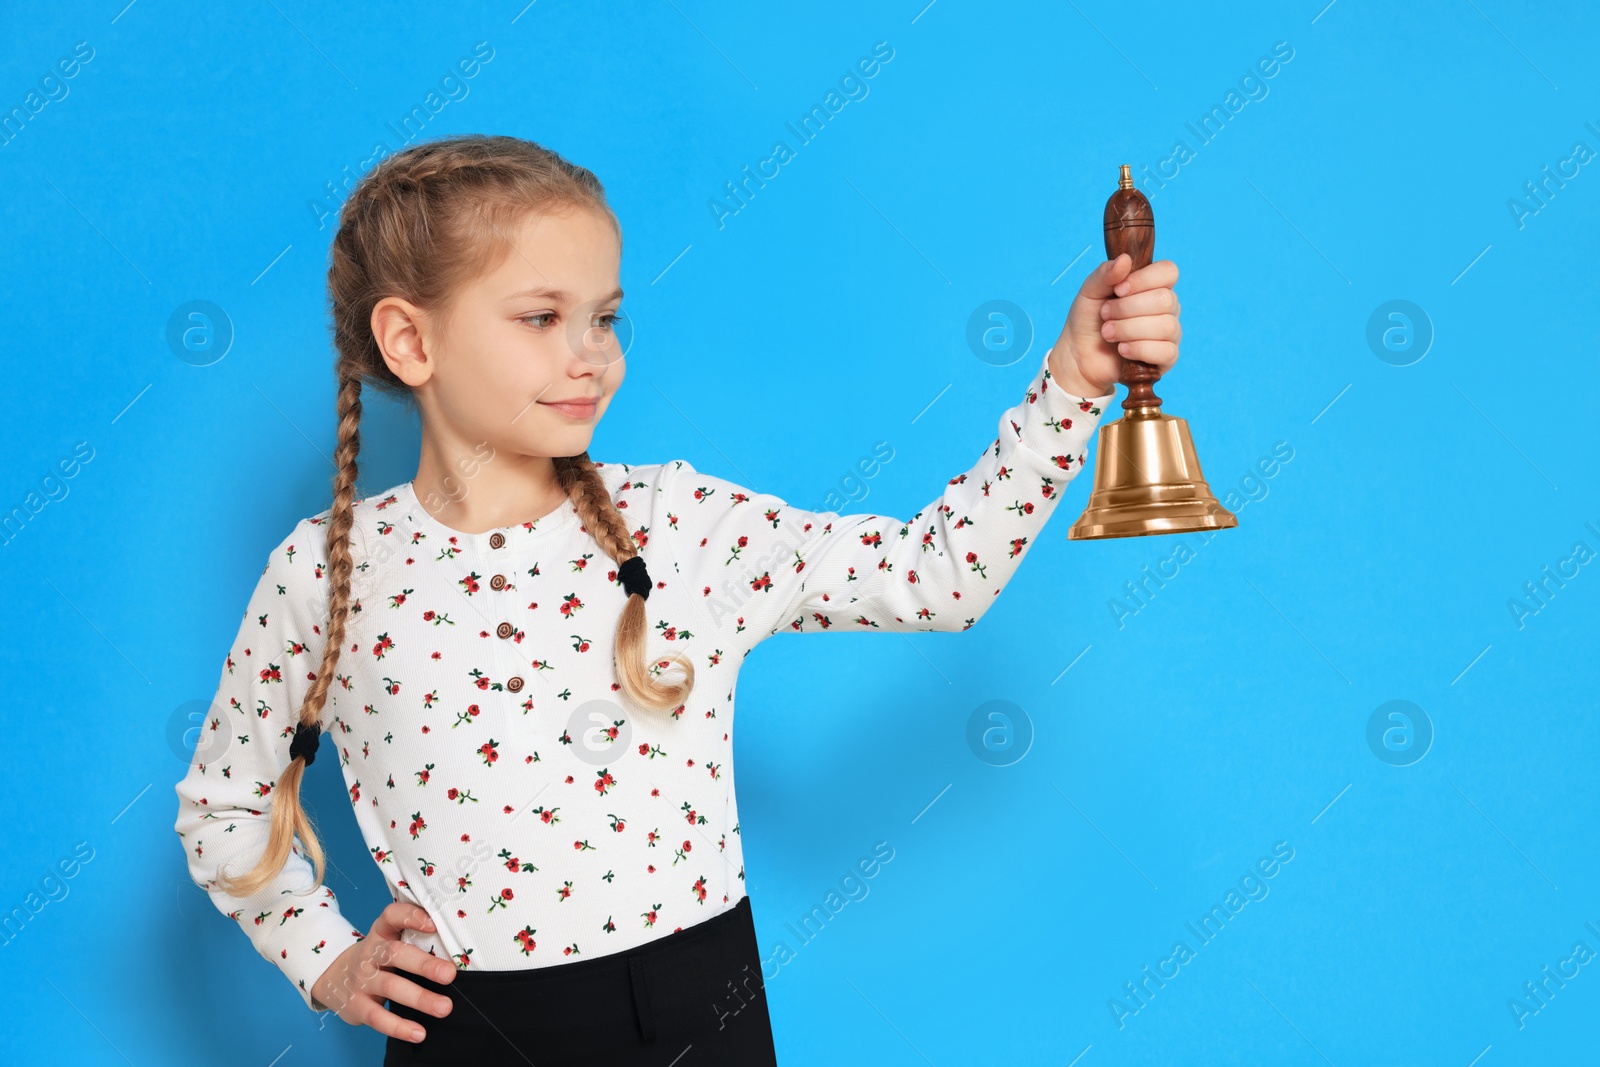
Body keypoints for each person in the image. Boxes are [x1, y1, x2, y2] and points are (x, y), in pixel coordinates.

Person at [172, 133, 1182, 1064]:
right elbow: (222, 804)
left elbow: (937, 574)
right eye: (541, 317)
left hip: (703, 1005)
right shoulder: (328, 570)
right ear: (409, 341)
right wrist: (325, 957)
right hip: (472, 1031)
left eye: (604, 316)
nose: (591, 351)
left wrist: (1073, 382)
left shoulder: (684, 523)